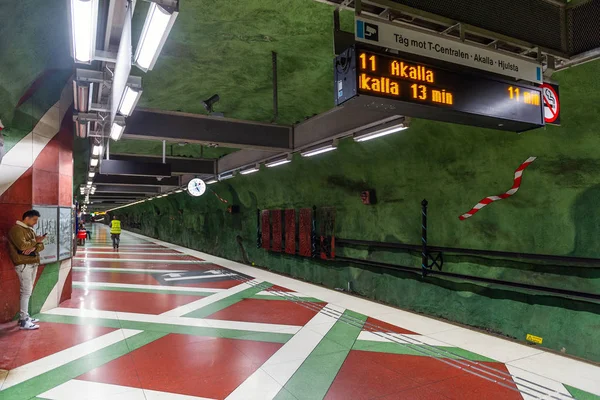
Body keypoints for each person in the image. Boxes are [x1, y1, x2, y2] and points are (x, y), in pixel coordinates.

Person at [7, 210, 46, 330]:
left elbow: (41, 246)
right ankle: (23, 320)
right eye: (34, 220)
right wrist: (36, 242)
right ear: (27, 218)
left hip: (32, 262)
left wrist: (34, 246)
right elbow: (22, 246)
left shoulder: (30, 230)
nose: (35, 223)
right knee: (26, 292)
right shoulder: (16, 229)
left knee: (28, 291)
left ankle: (25, 316)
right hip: (23, 264)